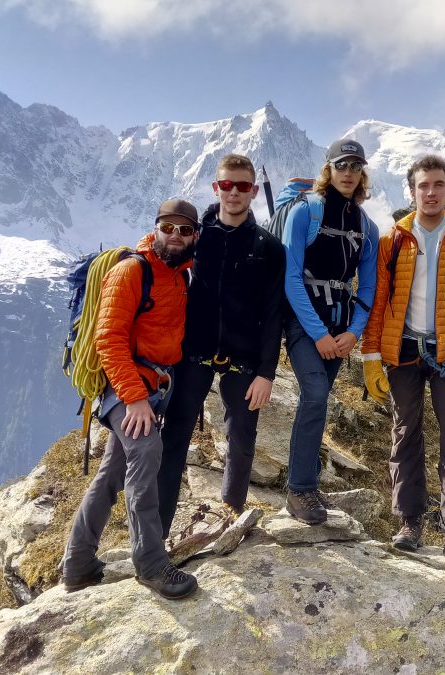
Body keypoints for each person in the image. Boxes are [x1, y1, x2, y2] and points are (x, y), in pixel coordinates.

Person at [59, 198, 200, 599]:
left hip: (155, 388)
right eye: (167, 228)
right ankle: (152, 565)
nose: (174, 236)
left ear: (194, 236)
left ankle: (78, 565)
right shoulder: (130, 272)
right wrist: (134, 398)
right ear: (155, 228)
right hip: (127, 389)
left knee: (110, 474)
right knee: (145, 455)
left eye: (184, 230)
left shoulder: (180, 274)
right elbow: (108, 338)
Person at [361, 155, 445, 565]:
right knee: (406, 433)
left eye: (438, 184)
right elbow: (377, 301)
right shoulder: (394, 239)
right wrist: (370, 357)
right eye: (423, 185)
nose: (431, 192)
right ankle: (409, 521)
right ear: (412, 190)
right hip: (403, 351)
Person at [156, 154, 285, 535]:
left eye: (242, 186)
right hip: (192, 353)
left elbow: (274, 312)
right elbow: (164, 263)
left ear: (254, 191)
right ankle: (156, 533)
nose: (233, 193)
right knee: (175, 435)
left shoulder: (269, 247)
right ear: (216, 188)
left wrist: (267, 373)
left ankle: (229, 519)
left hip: (244, 358)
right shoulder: (196, 237)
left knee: (242, 441)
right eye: (226, 185)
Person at [281, 139, 378, 524]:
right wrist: (318, 333)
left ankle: (307, 485)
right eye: (342, 165)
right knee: (316, 394)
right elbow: (290, 276)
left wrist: (354, 332)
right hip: (307, 323)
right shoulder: (306, 212)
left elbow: (367, 286)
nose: (349, 173)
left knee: (319, 401)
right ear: (329, 169)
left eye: (355, 166)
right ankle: (300, 489)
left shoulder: (365, 225)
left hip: (340, 327)